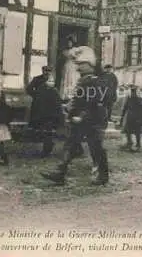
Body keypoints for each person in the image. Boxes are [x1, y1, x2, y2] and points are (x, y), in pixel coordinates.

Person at [40, 46, 109, 186]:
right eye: (77, 64)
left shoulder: (94, 81)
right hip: (79, 120)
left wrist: (81, 116)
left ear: (90, 65)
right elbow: (79, 99)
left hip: (92, 120)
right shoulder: (83, 80)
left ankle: (102, 175)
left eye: (81, 65)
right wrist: (69, 108)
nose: (78, 68)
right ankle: (60, 173)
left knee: (96, 148)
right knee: (70, 145)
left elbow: (93, 102)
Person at [28, 75, 62, 157]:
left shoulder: (55, 91)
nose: (51, 83)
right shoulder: (41, 91)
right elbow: (38, 103)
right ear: (46, 82)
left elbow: (58, 104)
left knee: (48, 133)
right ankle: (48, 147)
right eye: (49, 81)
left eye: (53, 82)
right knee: (45, 132)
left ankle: (47, 149)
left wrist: (57, 115)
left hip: (51, 116)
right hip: (43, 115)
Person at [119, 85, 142, 152]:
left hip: (135, 116)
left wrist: (122, 117)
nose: (133, 93)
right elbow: (125, 108)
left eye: (134, 91)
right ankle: (130, 143)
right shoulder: (134, 99)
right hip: (132, 116)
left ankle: (137, 145)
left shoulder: (138, 99)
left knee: (135, 131)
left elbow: (125, 108)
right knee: (129, 130)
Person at [60, 36, 81, 101]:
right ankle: (65, 96)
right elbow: (63, 57)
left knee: (73, 80)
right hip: (67, 66)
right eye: (68, 43)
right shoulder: (65, 50)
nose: (69, 44)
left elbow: (79, 57)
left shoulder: (76, 50)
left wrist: (74, 57)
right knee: (67, 80)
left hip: (73, 66)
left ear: (73, 43)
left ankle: (72, 96)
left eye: (70, 42)